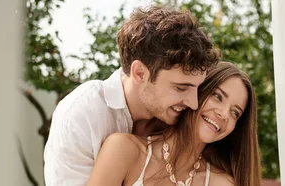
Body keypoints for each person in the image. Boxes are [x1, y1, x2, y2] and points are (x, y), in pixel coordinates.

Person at [43, 5, 221, 186]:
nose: (193, 103)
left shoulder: (180, 118)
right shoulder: (81, 115)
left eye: (197, 88)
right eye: (181, 88)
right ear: (139, 73)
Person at [86, 62, 261, 186]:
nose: (224, 114)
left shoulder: (223, 183)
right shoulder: (124, 150)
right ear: (195, 93)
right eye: (217, 97)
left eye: (235, 113)